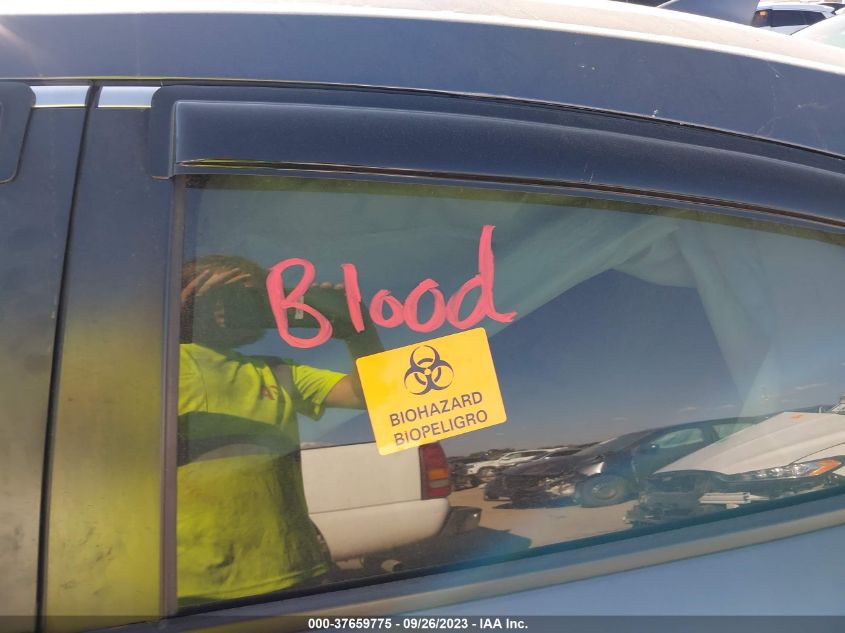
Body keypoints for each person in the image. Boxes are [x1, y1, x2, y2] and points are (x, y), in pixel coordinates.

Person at [177, 254, 382, 603]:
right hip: (190, 584)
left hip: (296, 570)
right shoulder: (156, 362)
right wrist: (172, 326)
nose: (232, 306)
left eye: (250, 296)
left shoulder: (279, 371)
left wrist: (358, 329)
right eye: (219, 293)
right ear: (187, 296)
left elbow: (370, 393)